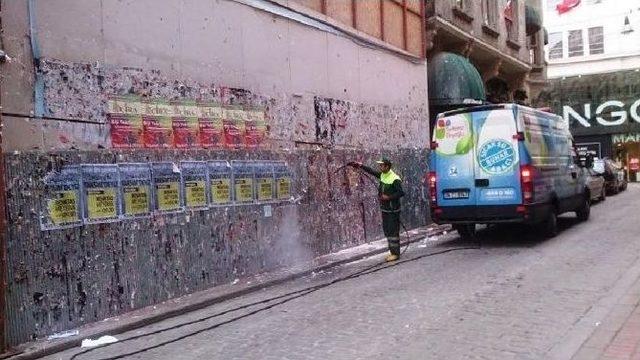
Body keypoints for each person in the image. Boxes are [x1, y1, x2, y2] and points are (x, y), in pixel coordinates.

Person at [349, 158, 405, 262]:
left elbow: (401, 193)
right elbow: (371, 171)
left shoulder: (395, 179)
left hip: (393, 210)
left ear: (387, 167)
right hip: (385, 209)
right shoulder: (383, 175)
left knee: (393, 231)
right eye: (380, 166)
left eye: (382, 166)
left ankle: (395, 253)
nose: (380, 167)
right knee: (387, 230)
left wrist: (388, 197)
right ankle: (392, 251)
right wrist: (360, 165)